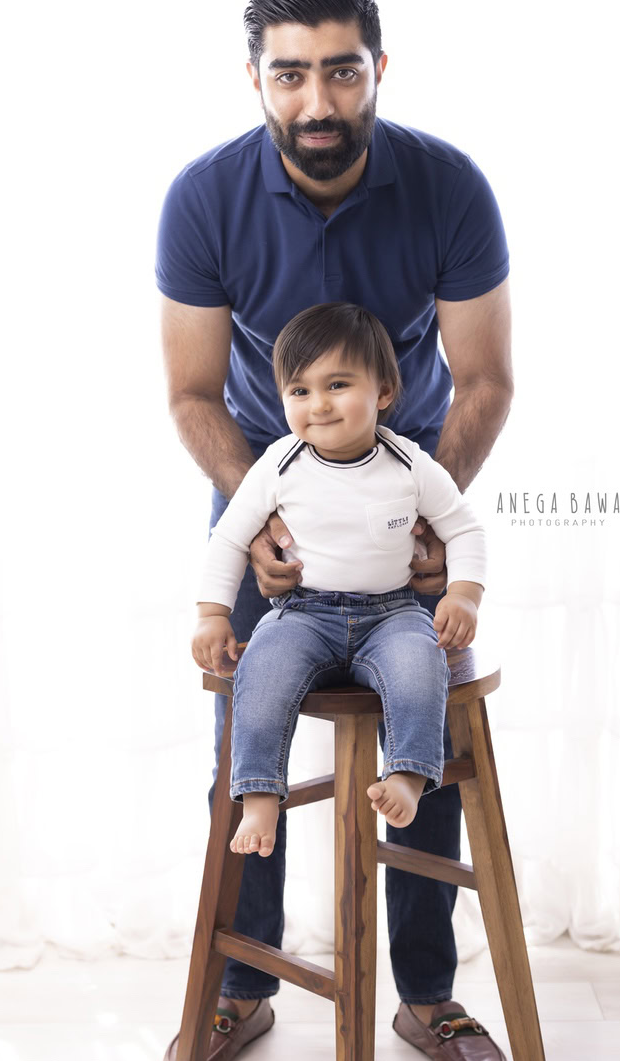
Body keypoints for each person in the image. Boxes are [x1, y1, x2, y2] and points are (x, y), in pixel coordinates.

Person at [158, 0, 513, 1061]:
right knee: (244, 736)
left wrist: (426, 519)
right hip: (265, 497)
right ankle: (240, 985)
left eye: (341, 71)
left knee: (429, 729)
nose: (318, 101)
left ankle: (427, 993)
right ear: (256, 79)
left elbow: (486, 378)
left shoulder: (448, 186)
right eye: (292, 75)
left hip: (407, 486)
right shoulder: (202, 197)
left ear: (376, 70)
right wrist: (249, 532)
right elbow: (192, 394)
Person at [192, 302, 487, 856]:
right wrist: (212, 613)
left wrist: (464, 594)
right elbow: (230, 538)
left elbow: (465, 531)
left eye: (337, 385)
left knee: (421, 665)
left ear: (383, 392)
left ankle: (407, 773)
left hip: (393, 614)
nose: (318, 405)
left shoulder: (410, 464)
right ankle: (258, 793)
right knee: (262, 668)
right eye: (299, 391)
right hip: (303, 614)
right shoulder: (279, 464)